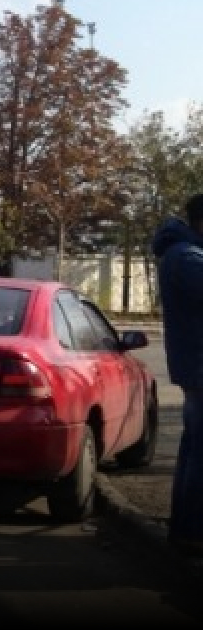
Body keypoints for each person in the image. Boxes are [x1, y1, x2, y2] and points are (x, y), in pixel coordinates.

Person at [152, 192, 203, 557]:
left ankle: (186, 528)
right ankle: (192, 531)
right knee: (199, 454)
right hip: (200, 366)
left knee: (194, 449)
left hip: (195, 366)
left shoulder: (186, 254)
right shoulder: (187, 257)